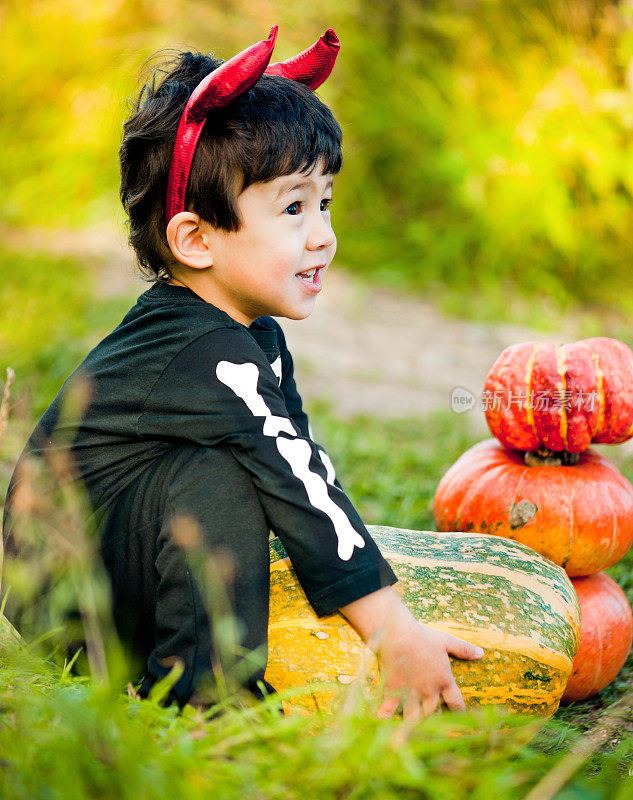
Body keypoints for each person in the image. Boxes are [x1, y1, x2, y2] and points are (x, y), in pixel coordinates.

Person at [2, 27, 483, 717]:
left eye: (324, 203)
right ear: (196, 239)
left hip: (115, 560)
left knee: (248, 468)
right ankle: (208, 700)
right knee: (221, 472)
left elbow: (300, 465)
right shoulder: (202, 349)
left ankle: (196, 655)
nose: (321, 234)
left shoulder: (243, 336)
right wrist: (394, 633)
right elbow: (296, 482)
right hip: (66, 589)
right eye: (292, 208)